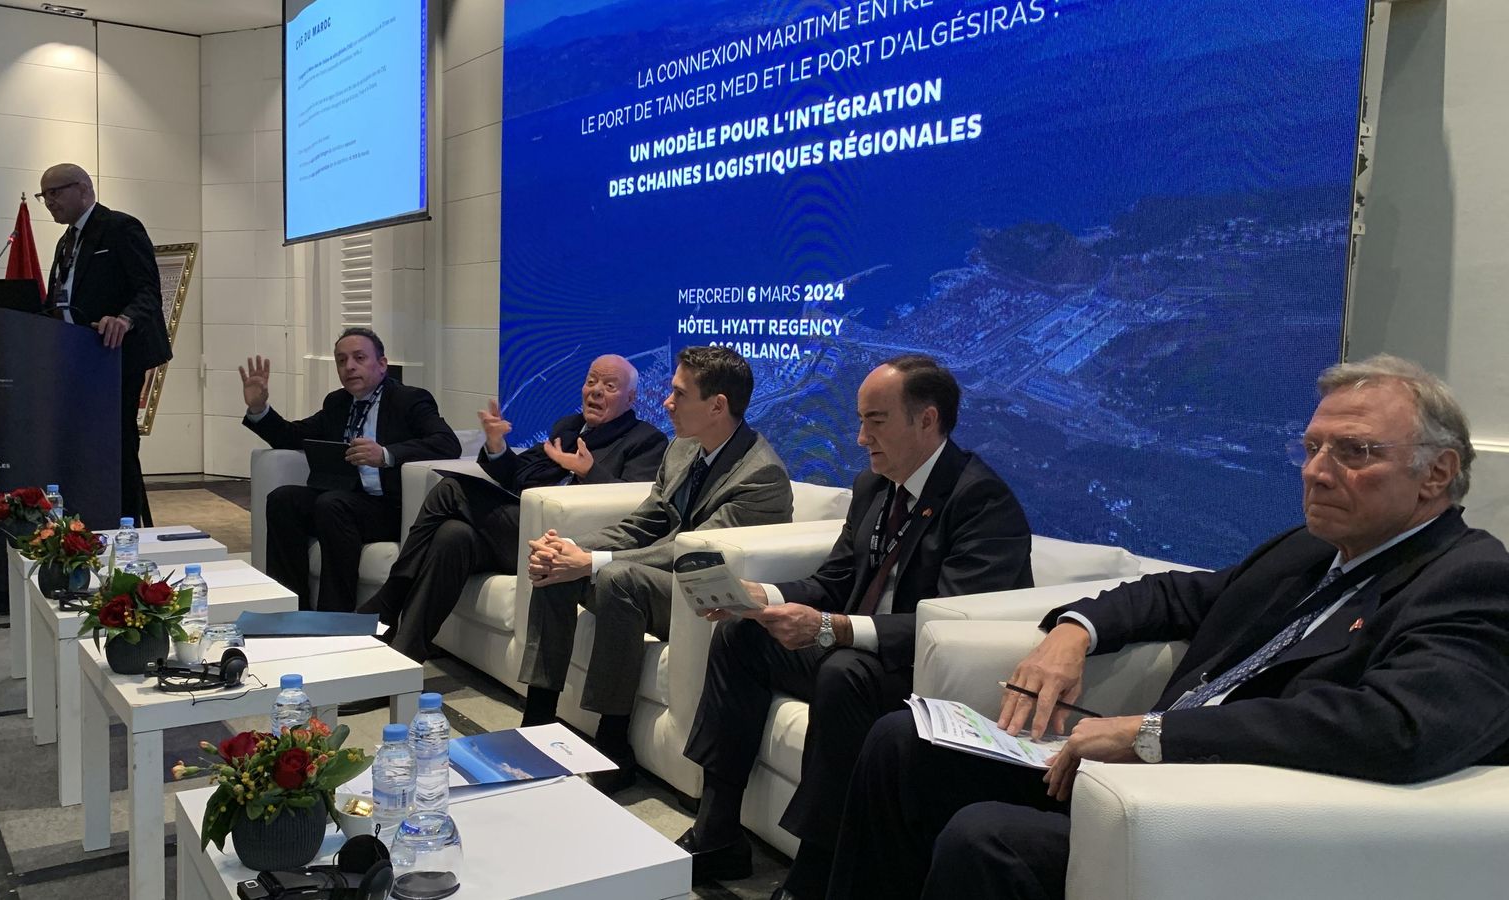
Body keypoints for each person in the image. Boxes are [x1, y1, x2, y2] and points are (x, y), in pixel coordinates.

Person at [828, 354, 1509, 900]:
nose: (1316, 473)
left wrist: (1151, 734)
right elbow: (1177, 595)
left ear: (1436, 475)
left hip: (1227, 810)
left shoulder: (1468, 578)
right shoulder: (1309, 549)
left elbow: (1397, 726)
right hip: (1146, 773)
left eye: (1353, 453)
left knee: (987, 837)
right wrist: (1074, 632)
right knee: (904, 740)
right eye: (1311, 448)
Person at [676, 354, 1036, 898]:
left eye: (876, 421)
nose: (860, 436)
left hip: (925, 674)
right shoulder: (873, 488)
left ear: (928, 420)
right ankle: (718, 830)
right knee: (741, 636)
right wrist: (759, 597)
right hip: (854, 649)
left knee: (843, 672)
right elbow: (832, 582)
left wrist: (834, 629)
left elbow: (955, 628)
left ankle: (819, 869)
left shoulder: (981, 501)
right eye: (859, 420)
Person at [517, 346, 793, 791]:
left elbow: (692, 553)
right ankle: (538, 720)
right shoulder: (684, 449)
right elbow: (645, 523)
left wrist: (593, 561)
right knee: (558, 563)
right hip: (662, 578)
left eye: (679, 394)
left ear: (717, 406)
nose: (667, 403)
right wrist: (572, 547)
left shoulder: (760, 476)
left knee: (615, 576)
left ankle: (613, 746)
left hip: (704, 594)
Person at [357, 354, 668, 663]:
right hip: (520, 529)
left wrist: (589, 472)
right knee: (452, 536)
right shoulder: (569, 427)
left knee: (451, 489)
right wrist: (496, 445)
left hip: (566, 544)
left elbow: (634, 509)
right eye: (591, 382)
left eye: (609, 386)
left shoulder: (646, 440)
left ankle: (392, 593)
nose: (596, 390)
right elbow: (518, 475)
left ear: (630, 398)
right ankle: (404, 656)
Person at [240, 328, 460, 612]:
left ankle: (336, 617)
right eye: (342, 361)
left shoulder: (410, 400)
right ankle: (289, 609)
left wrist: (386, 454)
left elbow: (447, 443)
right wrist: (259, 408)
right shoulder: (338, 403)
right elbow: (294, 436)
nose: (349, 367)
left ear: (382, 364)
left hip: (390, 508)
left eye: (359, 358)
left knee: (332, 504)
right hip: (343, 501)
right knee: (284, 499)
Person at [39, 163, 171, 525]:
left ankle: (125, 523)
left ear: (83, 188)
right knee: (83, 447)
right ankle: (86, 519)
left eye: (55, 192)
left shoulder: (120, 227)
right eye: (44, 195)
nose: (49, 202)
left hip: (115, 357)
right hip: (77, 359)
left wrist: (124, 319)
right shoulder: (65, 241)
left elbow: (148, 291)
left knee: (117, 446)